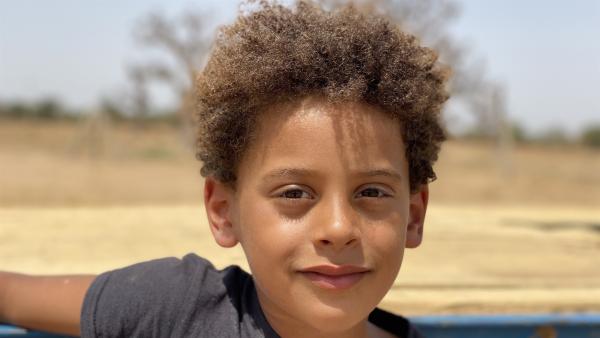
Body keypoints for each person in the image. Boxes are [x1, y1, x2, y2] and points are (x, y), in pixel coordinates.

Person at [0, 1, 449, 337]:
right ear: (222, 211)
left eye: (371, 192)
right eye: (295, 193)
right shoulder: (175, 309)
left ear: (413, 215)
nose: (337, 227)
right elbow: (11, 296)